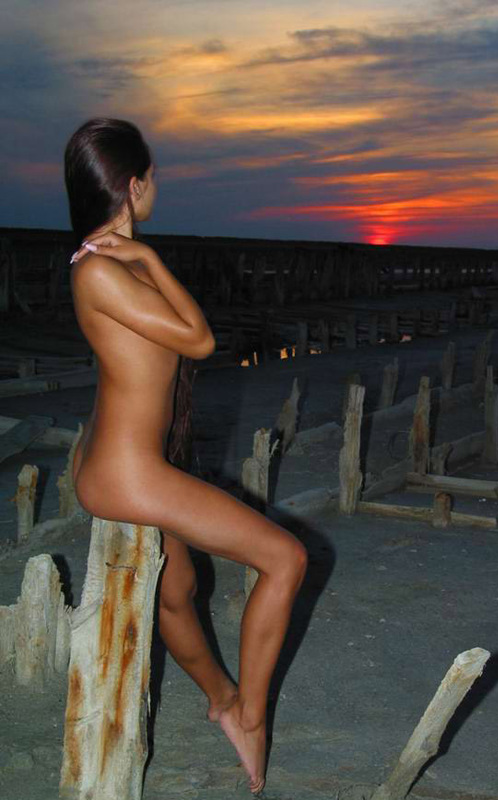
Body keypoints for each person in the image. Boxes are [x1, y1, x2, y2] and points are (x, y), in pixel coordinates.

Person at [65, 117, 307, 796]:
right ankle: (249, 716)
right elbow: (198, 340)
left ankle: (222, 698)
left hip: (124, 465)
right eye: (153, 176)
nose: (157, 186)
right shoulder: (104, 270)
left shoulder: (103, 263)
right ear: (133, 185)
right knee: (286, 559)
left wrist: (141, 260)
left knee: (177, 590)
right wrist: (152, 261)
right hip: (128, 473)